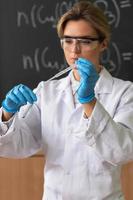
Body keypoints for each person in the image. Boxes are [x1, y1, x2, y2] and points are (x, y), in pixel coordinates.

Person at [0, 1, 133, 199]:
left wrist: (89, 101)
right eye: (68, 40)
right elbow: (19, 146)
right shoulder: (47, 92)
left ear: (103, 43)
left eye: (85, 41)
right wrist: (7, 114)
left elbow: (122, 152)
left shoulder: (124, 92)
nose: (75, 50)